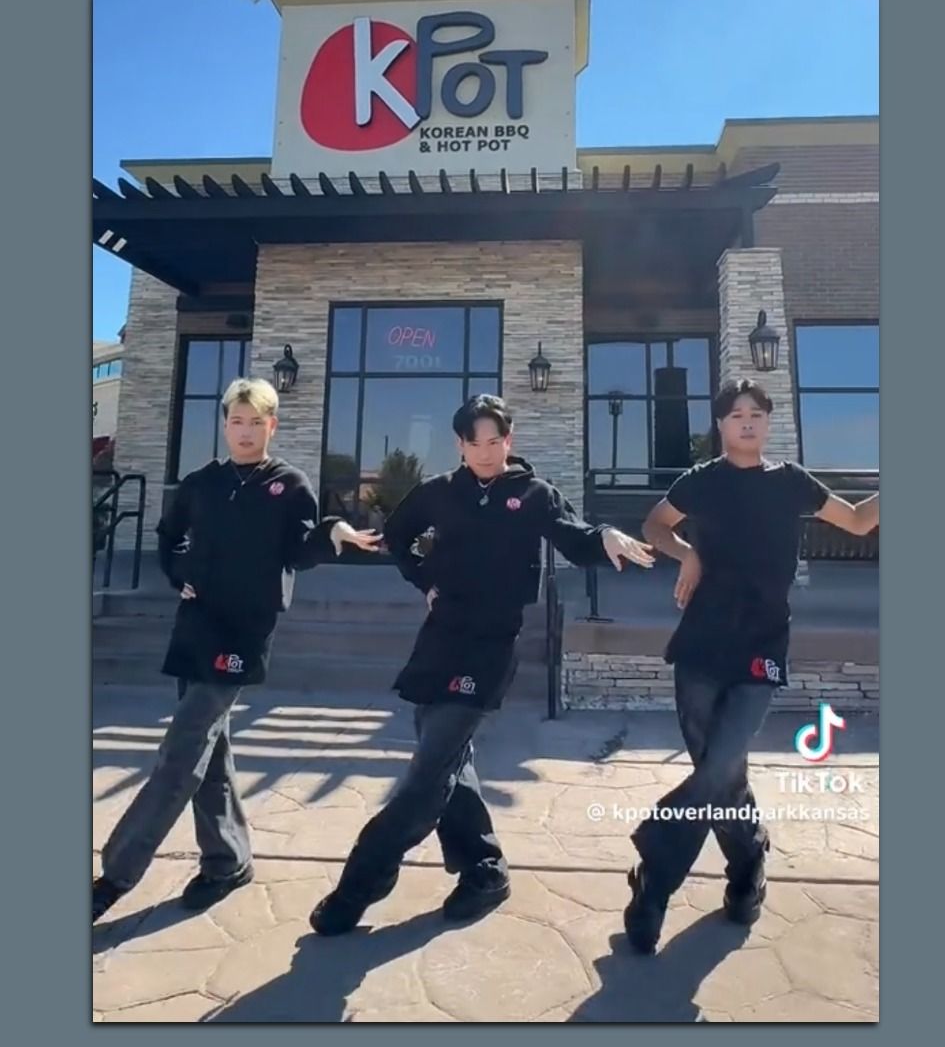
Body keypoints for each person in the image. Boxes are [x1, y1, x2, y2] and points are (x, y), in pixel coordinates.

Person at [308, 395, 655, 935]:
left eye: (496, 441)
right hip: (440, 636)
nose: (487, 452)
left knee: (427, 774)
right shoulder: (439, 493)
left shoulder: (533, 494)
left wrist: (604, 537)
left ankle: (359, 885)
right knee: (447, 759)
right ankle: (485, 870)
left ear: (508, 442)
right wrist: (425, 581)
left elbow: (573, 535)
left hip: (491, 642)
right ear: (460, 445)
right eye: (477, 442)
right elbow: (396, 538)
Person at [94, 378, 381, 922]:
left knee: (181, 750)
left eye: (256, 422)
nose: (245, 432)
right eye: (236, 421)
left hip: (244, 631)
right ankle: (227, 861)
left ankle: (115, 876)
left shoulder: (290, 484)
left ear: (272, 425)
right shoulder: (201, 483)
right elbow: (169, 537)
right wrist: (180, 572)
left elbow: (298, 549)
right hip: (196, 623)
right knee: (211, 752)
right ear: (224, 424)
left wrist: (333, 533)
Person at [624, 378, 879, 954]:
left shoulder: (789, 481)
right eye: (735, 414)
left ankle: (655, 881)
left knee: (719, 769)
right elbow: (653, 524)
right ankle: (748, 873)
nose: (745, 422)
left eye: (755, 414)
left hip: (761, 645)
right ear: (720, 424)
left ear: (768, 422)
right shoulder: (702, 480)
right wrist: (686, 552)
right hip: (700, 645)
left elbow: (859, 521)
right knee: (723, 776)